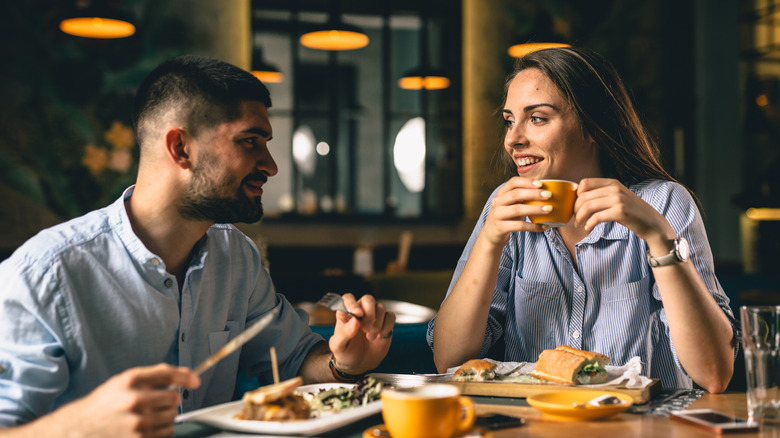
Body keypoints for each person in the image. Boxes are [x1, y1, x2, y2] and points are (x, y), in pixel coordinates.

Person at [0, 55, 395, 436]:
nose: (271, 165)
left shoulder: (236, 256)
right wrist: (80, 428)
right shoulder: (44, 274)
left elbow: (296, 362)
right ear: (180, 149)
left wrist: (343, 364)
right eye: (250, 142)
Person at [426, 46, 736, 393]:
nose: (513, 139)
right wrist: (489, 241)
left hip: (640, 427)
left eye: (537, 118)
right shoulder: (504, 209)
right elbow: (448, 360)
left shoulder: (662, 203)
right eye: (510, 120)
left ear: (593, 127)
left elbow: (714, 374)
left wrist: (657, 236)